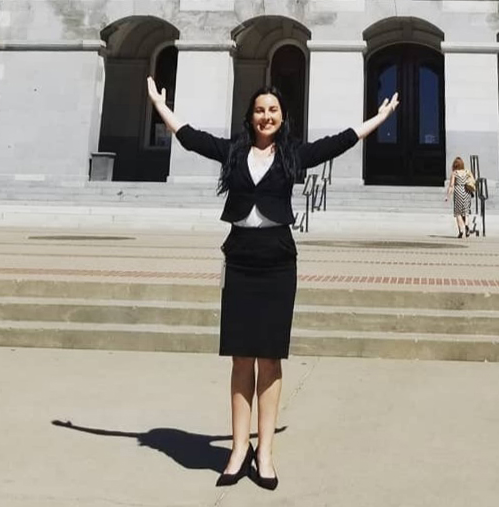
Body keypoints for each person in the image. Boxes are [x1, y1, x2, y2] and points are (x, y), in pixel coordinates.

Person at [146, 75, 399, 492]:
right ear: (251, 116)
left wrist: (379, 117)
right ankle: (238, 450)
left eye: (273, 111)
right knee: (240, 358)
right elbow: (190, 138)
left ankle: (264, 453)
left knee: (270, 358)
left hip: (278, 260)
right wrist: (160, 105)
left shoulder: (293, 155)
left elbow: (340, 141)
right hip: (241, 258)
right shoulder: (233, 152)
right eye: (260, 110)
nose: (266, 116)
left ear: (283, 118)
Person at [445, 155, 476, 239]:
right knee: (466, 212)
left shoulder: (454, 173)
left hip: (458, 192)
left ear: (455, 165)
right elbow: (472, 181)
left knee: (458, 213)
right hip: (466, 192)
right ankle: (466, 225)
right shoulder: (467, 172)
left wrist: (448, 196)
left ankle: (461, 230)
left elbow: (451, 186)